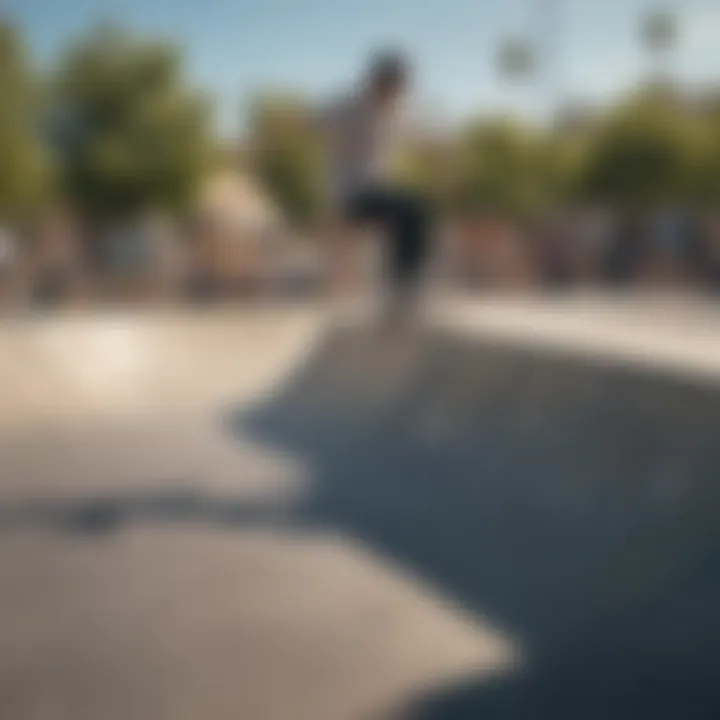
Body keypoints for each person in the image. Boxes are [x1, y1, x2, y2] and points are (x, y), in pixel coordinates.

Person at [314, 50, 432, 322]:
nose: (394, 97)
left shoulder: (396, 113)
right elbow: (312, 121)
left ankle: (402, 288)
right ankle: (401, 290)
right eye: (391, 89)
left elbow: (422, 135)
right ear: (377, 83)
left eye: (398, 92)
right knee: (411, 209)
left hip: (378, 195)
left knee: (417, 212)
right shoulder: (347, 106)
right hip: (350, 195)